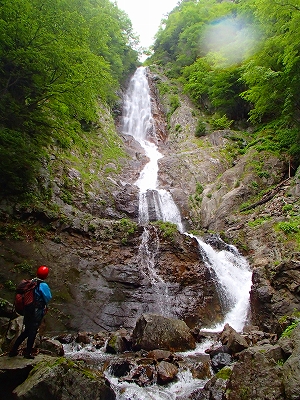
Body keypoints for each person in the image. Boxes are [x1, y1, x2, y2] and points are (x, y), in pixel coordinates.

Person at [9, 265, 52, 359]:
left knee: (27, 331)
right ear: (46, 275)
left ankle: (13, 350)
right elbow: (48, 297)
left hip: (28, 309)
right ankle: (28, 353)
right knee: (32, 331)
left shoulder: (32, 282)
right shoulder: (43, 285)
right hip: (36, 310)